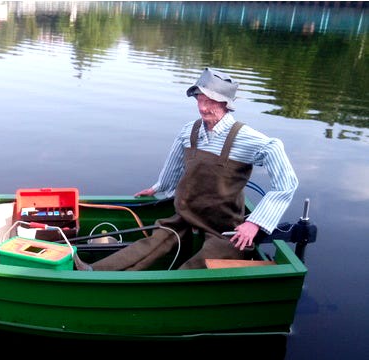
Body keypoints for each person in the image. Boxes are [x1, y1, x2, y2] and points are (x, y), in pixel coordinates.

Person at [83, 67, 298, 271]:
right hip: (186, 214)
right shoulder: (189, 132)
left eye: (211, 101)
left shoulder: (246, 138)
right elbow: (174, 166)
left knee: (200, 266)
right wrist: (159, 187)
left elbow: (287, 183)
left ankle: (170, 291)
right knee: (151, 243)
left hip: (224, 227)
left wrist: (255, 223)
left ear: (225, 104)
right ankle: (94, 271)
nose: (203, 108)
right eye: (200, 100)